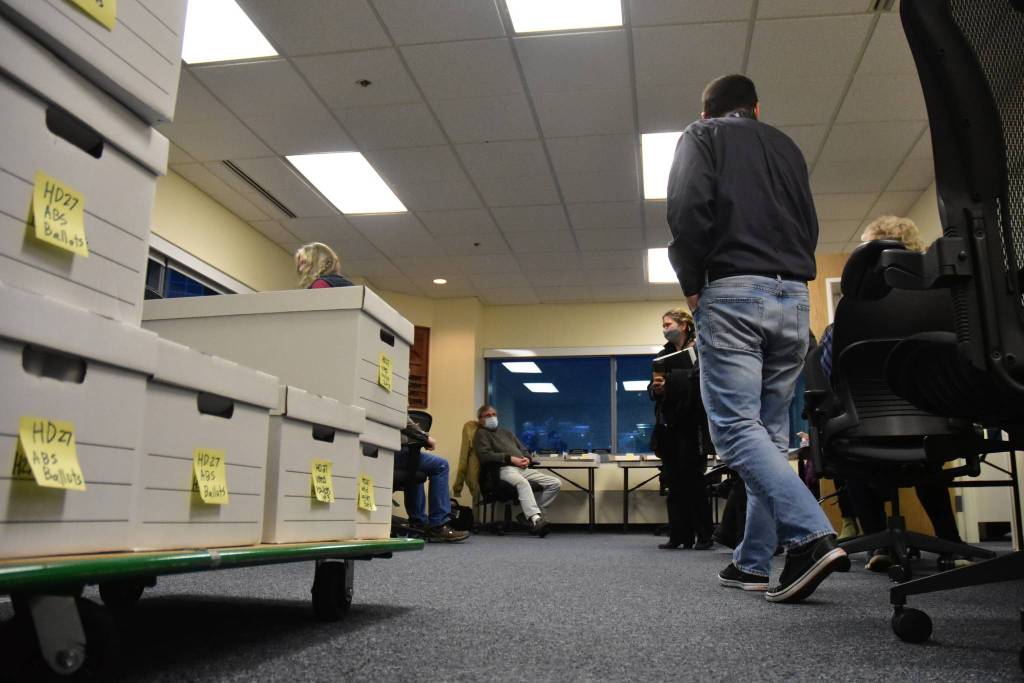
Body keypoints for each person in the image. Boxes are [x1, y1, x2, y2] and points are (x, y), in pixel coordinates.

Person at [667, 73, 848, 602]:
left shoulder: (702, 136)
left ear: (708, 113)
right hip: (793, 297)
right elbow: (808, 223)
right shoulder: (786, 145)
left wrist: (692, 285)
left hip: (734, 290)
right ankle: (751, 563)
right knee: (767, 437)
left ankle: (811, 535)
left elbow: (687, 208)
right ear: (757, 108)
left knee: (732, 431)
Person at [818, 215, 968, 571]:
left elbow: (829, 374)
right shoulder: (944, 306)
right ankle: (951, 543)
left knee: (849, 451)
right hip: (934, 423)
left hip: (866, 427)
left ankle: (877, 545)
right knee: (929, 460)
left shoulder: (848, 314)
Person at [649, 308, 713, 550]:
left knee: (693, 481)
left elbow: (702, 383)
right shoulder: (661, 356)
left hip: (692, 426)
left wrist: (673, 381)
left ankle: (704, 536)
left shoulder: (702, 351)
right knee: (673, 482)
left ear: (684, 325)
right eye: (663, 326)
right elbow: (655, 391)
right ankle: (679, 536)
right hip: (669, 428)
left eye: (668, 325)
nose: (665, 329)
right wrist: (656, 389)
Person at [473, 405, 561, 537]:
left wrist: (527, 459)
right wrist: (510, 459)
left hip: (522, 467)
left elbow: (523, 449)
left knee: (555, 483)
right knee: (522, 483)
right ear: (480, 419)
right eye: (488, 416)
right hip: (503, 469)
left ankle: (531, 514)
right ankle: (536, 520)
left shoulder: (506, 432)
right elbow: (485, 455)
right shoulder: (481, 434)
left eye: (493, 415)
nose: (492, 418)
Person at [396, 416, 469, 543]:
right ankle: (439, 524)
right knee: (441, 465)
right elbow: (403, 419)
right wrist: (425, 438)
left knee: (415, 466)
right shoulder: (393, 396)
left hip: (378, 449)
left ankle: (418, 523)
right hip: (394, 451)